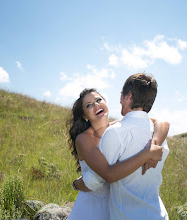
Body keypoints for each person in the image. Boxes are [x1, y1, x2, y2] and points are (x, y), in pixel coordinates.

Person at [67, 85, 169, 219]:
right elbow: (106, 174)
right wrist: (147, 154)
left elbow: (162, 123)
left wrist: (154, 144)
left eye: (98, 100)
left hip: (117, 204)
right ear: (85, 116)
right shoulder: (84, 138)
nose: (96, 105)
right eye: (89, 105)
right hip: (92, 205)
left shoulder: (118, 126)